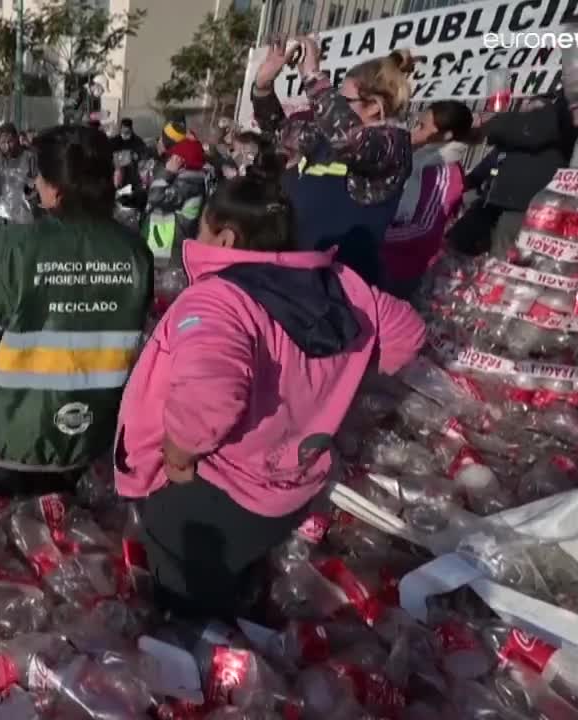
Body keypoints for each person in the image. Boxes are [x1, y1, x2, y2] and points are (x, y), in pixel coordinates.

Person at [112, 144, 425, 618]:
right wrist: (339, 376)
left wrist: (179, 454)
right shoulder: (341, 285)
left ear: (229, 238)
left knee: (183, 594)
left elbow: (209, 395)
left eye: (204, 229)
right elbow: (408, 332)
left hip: (217, 489)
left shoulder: (219, 300)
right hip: (291, 488)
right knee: (237, 567)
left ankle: (193, 641)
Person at [0, 125, 153, 497]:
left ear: (55, 187)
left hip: (17, 432)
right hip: (95, 435)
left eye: (40, 177)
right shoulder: (135, 251)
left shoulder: (13, 245)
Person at [251, 38, 415, 287]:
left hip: (341, 291)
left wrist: (313, 75)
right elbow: (279, 130)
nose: (332, 109)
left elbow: (349, 139)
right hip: (296, 277)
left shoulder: (392, 146)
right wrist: (263, 86)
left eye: (343, 102)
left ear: (373, 107)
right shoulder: (330, 137)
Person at [382, 100, 473, 297]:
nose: (415, 130)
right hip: (390, 256)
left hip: (408, 265)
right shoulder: (421, 159)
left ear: (446, 135)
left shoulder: (443, 170)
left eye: (422, 126)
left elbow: (425, 228)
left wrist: (379, 235)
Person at [144, 124, 209, 267]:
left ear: (181, 160)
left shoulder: (188, 183)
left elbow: (155, 197)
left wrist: (168, 172)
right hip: (167, 240)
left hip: (172, 245)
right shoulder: (188, 179)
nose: (170, 159)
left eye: (174, 156)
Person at [0, 123, 38, 201]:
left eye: (10, 142)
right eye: (3, 142)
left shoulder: (29, 158)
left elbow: (38, 186)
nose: (7, 146)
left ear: (16, 139)